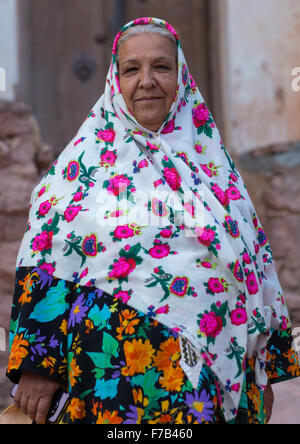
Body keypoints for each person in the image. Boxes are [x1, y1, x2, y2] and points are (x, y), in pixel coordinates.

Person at [6, 17, 300, 425]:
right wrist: (37, 366)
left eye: (161, 67)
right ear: (115, 79)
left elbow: (256, 267)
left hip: (207, 389)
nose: (147, 80)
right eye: (132, 68)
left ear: (181, 78)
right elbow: (44, 262)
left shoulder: (213, 170)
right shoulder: (79, 169)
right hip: (108, 383)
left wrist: (265, 369)